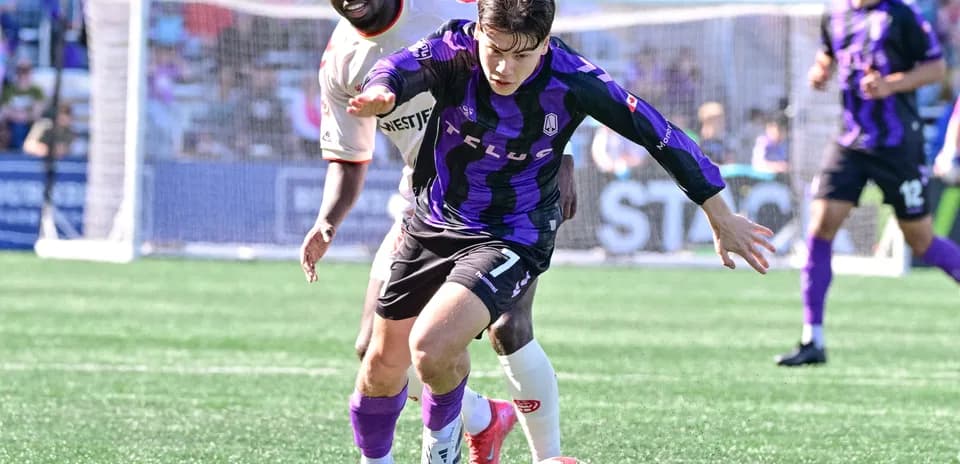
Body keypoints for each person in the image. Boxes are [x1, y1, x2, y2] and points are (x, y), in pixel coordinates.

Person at [304, 1, 776, 462]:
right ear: (479, 34)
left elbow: (657, 131)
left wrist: (720, 212)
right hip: (430, 220)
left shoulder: (573, 77)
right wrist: (384, 90)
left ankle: (521, 453)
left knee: (432, 346)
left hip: (512, 232)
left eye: (522, 55)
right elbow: (402, 66)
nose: (505, 68)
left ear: (545, 43)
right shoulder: (455, 43)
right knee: (381, 364)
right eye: (496, 50)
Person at [300, 1, 577, 462]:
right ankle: (484, 417)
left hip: (513, 194)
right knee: (374, 349)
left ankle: (548, 457)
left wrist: (567, 154)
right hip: (425, 204)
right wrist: (327, 221)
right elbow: (350, 157)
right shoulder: (342, 59)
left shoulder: (446, 9)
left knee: (508, 327)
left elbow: (535, 47)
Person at [775, 0, 960, 367]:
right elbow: (829, 53)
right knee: (820, 227)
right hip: (849, 142)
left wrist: (892, 85)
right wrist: (820, 71)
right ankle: (814, 338)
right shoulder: (836, 13)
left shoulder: (902, 15)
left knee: (921, 240)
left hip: (896, 145)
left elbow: (937, 69)